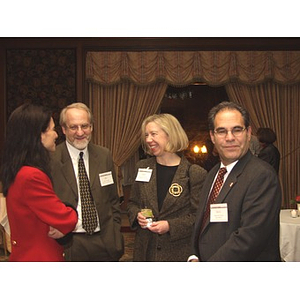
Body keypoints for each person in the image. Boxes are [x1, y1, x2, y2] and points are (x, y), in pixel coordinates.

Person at [190, 101, 282, 262]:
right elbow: (201, 223)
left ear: (248, 133)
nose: (230, 137)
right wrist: (193, 255)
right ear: (212, 136)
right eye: (221, 131)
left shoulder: (262, 175)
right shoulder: (213, 174)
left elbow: (249, 239)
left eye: (237, 130)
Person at [1, 104, 78, 262]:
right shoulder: (31, 176)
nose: (56, 134)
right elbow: (66, 219)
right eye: (51, 129)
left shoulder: (19, 171)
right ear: (38, 135)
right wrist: (71, 210)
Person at [127, 113, 207, 261]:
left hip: (177, 253)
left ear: (170, 135)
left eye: (153, 134)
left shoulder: (194, 173)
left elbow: (199, 217)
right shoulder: (142, 167)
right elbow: (133, 203)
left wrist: (170, 225)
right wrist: (137, 215)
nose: (148, 140)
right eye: (146, 135)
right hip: (144, 252)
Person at [51, 102, 124, 261]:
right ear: (63, 129)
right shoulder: (51, 159)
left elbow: (113, 199)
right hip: (70, 243)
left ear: (91, 127)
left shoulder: (104, 155)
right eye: (73, 127)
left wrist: (114, 230)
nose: (80, 132)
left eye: (84, 126)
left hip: (105, 241)